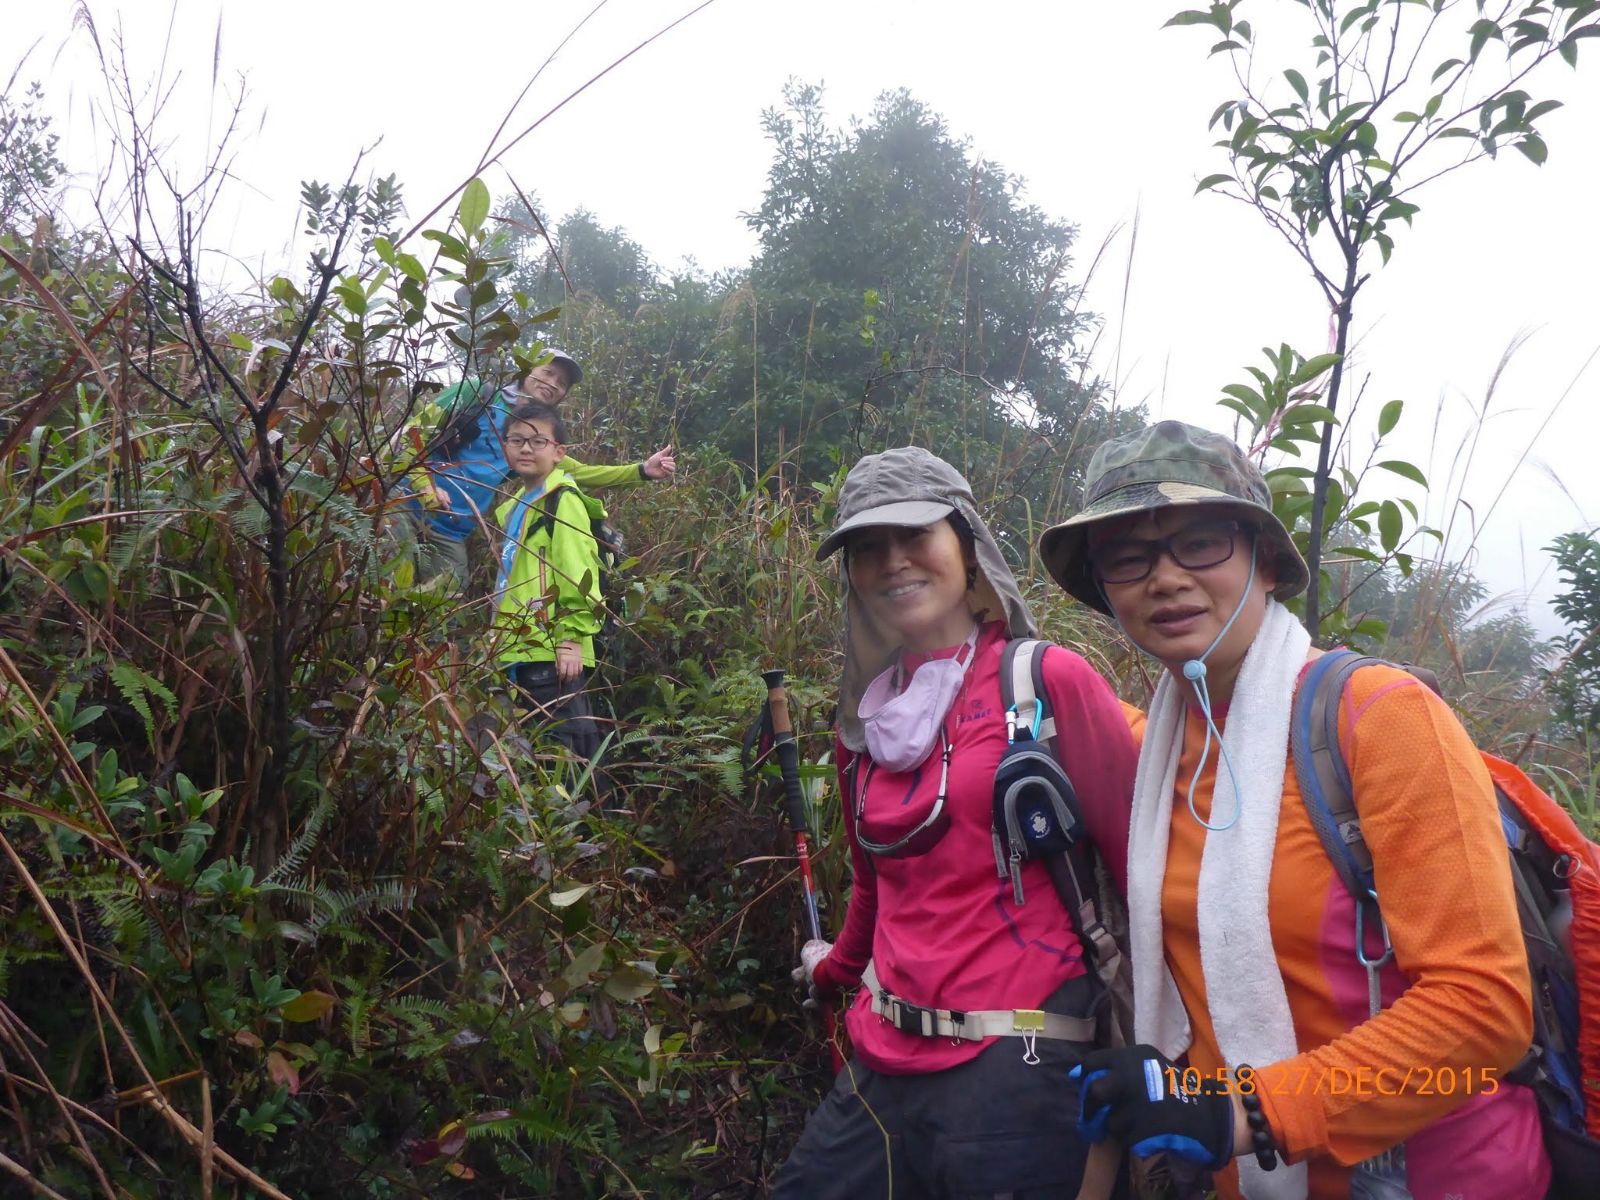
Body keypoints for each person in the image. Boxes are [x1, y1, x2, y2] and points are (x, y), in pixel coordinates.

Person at [1037, 421, 1548, 1199]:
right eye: (1127, 556)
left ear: (1266, 562)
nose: (1164, 578)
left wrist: (1243, 1113)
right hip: (1249, 1178)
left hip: (1429, 1177)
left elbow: (1485, 1011)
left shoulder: (1379, 719)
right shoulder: (1163, 752)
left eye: (1200, 542)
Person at [772, 447, 1139, 1199]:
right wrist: (831, 971)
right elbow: (877, 889)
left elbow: (1146, 870)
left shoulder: (1043, 684)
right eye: (867, 548)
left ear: (968, 546)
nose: (892, 562)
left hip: (1020, 1064)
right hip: (881, 1054)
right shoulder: (866, 725)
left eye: (915, 535)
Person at [402, 348, 675, 593]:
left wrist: (641, 471)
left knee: (446, 597)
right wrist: (424, 485)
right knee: (386, 588)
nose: (553, 383)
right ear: (527, 369)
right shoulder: (477, 392)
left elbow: (582, 472)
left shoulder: (537, 435)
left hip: (451, 531)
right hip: (403, 505)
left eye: (562, 383)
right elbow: (408, 436)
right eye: (548, 372)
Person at [491, 399, 605, 766]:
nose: (526, 448)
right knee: (536, 764)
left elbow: (578, 570)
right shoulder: (518, 505)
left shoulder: (562, 500)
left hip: (552, 652)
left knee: (564, 762)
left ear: (559, 452)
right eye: (517, 440)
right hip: (519, 651)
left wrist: (570, 640)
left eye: (538, 441)